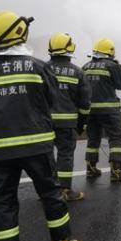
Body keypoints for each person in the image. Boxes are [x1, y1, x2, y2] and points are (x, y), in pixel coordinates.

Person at [0, 11, 80, 241]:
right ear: (19, 34)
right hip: (37, 147)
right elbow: (52, 100)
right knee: (51, 194)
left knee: (4, 200)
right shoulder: (38, 67)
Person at [47, 32, 91, 201]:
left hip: (44, 123)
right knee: (65, 155)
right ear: (70, 49)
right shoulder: (77, 73)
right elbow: (85, 104)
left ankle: (49, 191)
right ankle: (65, 191)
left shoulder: (40, 68)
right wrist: (82, 125)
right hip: (66, 124)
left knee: (46, 156)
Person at [82, 38, 121, 182]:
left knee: (93, 139)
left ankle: (90, 169)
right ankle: (116, 172)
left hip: (90, 111)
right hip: (108, 111)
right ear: (110, 52)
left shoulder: (85, 66)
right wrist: (119, 67)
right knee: (116, 138)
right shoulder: (112, 66)